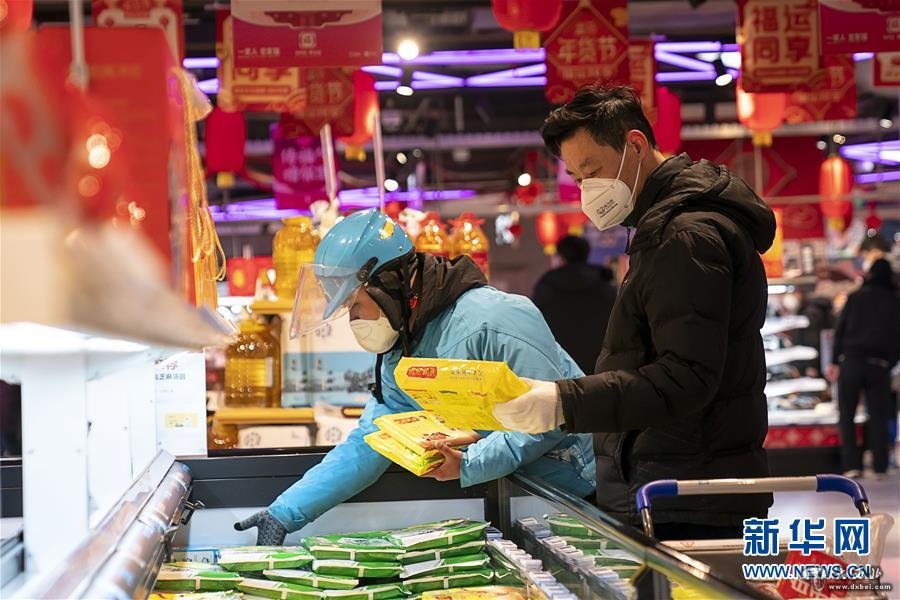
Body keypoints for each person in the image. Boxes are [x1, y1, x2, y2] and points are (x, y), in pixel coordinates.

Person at [493, 85, 777, 540]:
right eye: (578, 179)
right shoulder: (662, 229)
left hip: (686, 494)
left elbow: (686, 377)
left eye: (593, 171)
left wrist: (563, 402)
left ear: (636, 146)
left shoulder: (685, 236)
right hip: (676, 484)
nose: (587, 190)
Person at [235, 209, 595, 544]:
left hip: (575, 498)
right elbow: (372, 441)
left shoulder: (498, 319)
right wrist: (285, 512)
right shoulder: (402, 348)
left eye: (355, 304)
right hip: (510, 499)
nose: (354, 319)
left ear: (389, 284)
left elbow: (548, 421)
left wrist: (470, 464)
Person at [827, 258, 900, 480]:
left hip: (851, 362)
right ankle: (880, 466)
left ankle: (852, 466)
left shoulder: (855, 297)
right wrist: (890, 363)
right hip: (879, 365)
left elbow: (840, 330)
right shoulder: (895, 302)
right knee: (878, 416)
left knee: (847, 414)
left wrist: (834, 361)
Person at [532, 235, 617, 374]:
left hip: (561, 366)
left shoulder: (547, 287)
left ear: (560, 257)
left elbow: (536, 325)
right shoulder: (606, 286)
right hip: (601, 366)